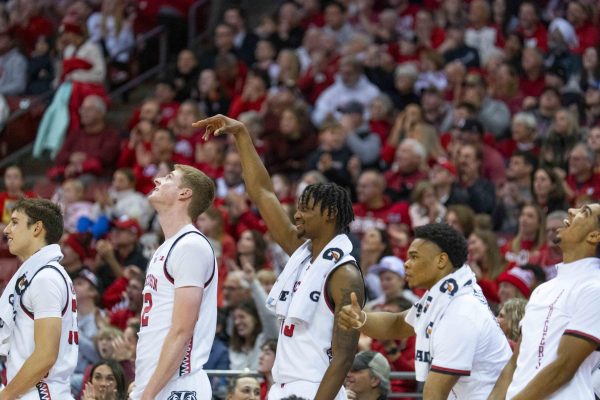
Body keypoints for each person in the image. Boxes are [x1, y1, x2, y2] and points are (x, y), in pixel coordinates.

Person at [194, 114, 365, 400]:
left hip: (315, 388)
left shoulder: (344, 273)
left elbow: (344, 357)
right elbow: (262, 193)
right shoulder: (302, 253)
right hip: (282, 385)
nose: (296, 214)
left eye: (306, 208)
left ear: (330, 214)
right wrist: (242, 135)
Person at [339, 223, 512, 399]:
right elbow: (397, 324)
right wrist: (361, 319)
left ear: (441, 261)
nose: (406, 264)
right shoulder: (447, 294)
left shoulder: (460, 313)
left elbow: (435, 393)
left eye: (414, 257)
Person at [489, 204, 600, 399]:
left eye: (585, 212)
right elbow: (516, 362)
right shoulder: (542, 289)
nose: (572, 211)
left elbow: (564, 367)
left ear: (594, 236)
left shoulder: (595, 288)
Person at [131, 164, 217, 400]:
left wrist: (147, 394)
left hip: (178, 384)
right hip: (157, 383)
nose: (157, 180)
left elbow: (182, 330)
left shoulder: (190, 245)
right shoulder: (166, 247)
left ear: (184, 193)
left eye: (168, 177)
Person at [0, 198, 77, 398]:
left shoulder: (45, 278)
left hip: (42, 393)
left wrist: (6, 395)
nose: (7, 230)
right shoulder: (42, 273)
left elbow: (46, 355)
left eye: (15, 222)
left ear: (36, 228)